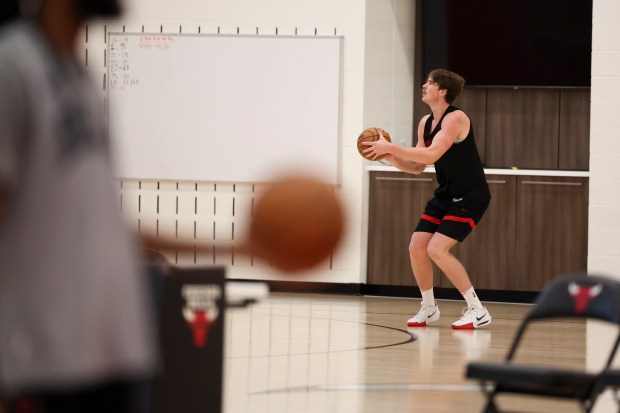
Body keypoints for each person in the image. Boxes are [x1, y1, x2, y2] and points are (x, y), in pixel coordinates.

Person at [0, 0, 158, 411]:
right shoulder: (12, 65)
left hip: (112, 350)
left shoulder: (82, 79)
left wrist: (246, 246)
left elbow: (99, 222)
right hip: (44, 355)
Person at [363, 69, 492, 329]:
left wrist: (391, 147)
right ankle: (429, 307)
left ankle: (478, 310)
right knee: (417, 247)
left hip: (471, 196)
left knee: (436, 249)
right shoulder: (425, 122)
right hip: (445, 194)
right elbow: (417, 166)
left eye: (429, 83)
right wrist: (391, 158)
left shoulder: (456, 118)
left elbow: (432, 154)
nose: (424, 85)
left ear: (443, 91)